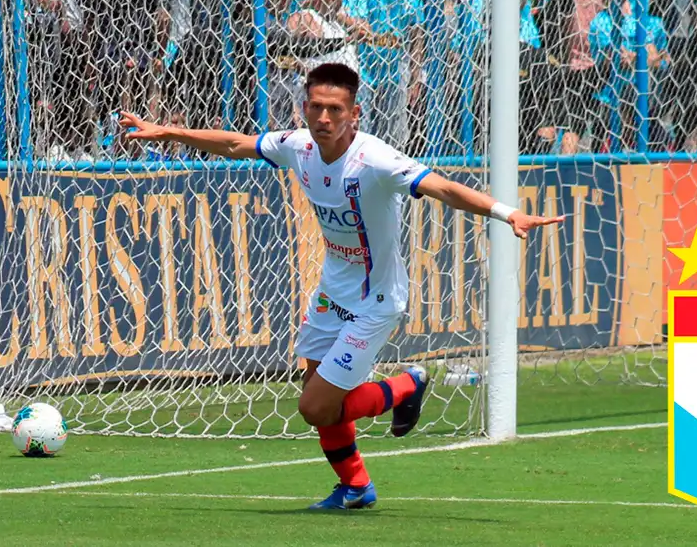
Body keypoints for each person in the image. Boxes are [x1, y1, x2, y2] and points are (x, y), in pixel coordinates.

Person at [119, 62, 563, 510]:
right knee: (320, 392)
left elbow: (444, 189)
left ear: (355, 113)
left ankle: (407, 385)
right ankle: (356, 487)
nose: (324, 118)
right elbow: (236, 143)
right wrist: (167, 132)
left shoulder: (376, 160)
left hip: (376, 300)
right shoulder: (298, 146)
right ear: (304, 107)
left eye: (335, 109)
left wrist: (508, 213)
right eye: (316, 107)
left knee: (316, 407)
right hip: (332, 291)